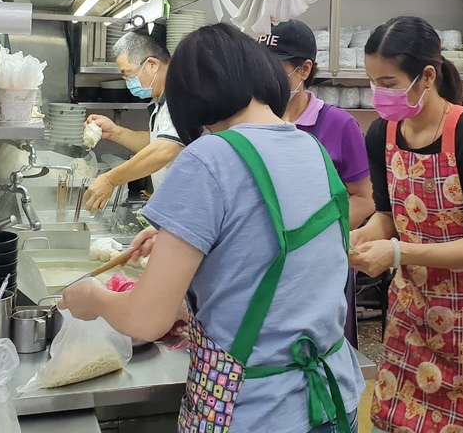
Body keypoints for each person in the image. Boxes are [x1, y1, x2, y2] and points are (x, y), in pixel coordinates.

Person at [60, 24, 364, 433]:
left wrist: (92, 297)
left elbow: (147, 320)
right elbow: (274, 251)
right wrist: (192, 243)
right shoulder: (312, 148)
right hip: (330, 400)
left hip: (255, 411)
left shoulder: (209, 156)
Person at [349, 16, 463, 433]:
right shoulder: (382, 135)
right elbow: (388, 216)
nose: (378, 93)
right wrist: (357, 239)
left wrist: (398, 253)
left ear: (427, 75)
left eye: (389, 82)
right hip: (415, 320)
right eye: (372, 81)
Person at [260, 20, 374, 347]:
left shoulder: (338, 126)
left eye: (274, 67)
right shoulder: (252, 123)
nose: (265, 77)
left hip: (321, 270)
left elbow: (364, 198)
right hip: (266, 266)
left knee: (323, 359)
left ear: (304, 68)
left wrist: (312, 236)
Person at [84, 30, 182, 212]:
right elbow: (156, 143)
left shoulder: (180, 97)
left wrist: (110, 179)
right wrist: (114, 132)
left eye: (128, 74)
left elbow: (165, 150)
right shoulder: (160, 102)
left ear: (152, 64)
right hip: (174, 209)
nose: (128, 82)